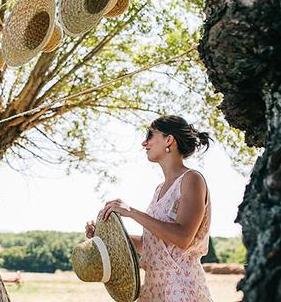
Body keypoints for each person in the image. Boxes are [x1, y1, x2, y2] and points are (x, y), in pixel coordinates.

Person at [85, 115, 213, 302]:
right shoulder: (159, 189)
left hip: (181, 289)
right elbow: (151, 243)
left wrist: (132, 212)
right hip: (153, 290)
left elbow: (183, 238)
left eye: (150, 135)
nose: (144, 143)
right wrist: (105, 238)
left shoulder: (192, 179)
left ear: (169, 140)